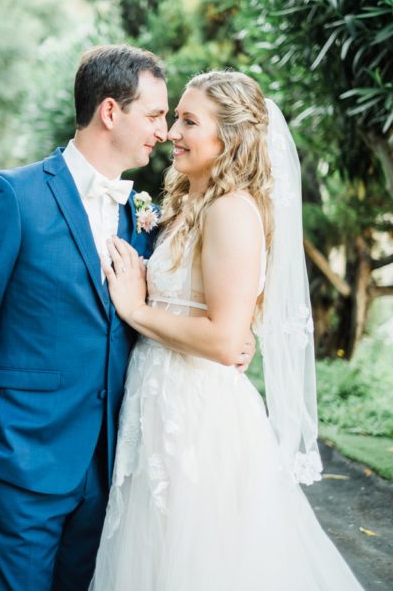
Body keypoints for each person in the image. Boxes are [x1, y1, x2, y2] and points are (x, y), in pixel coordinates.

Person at [0, 45, 255, 591]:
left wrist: (234, 333)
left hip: (114, 469)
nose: (165, 131)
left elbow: (199, 292)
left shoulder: (144, 215)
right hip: (20, 465)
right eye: (156, 115)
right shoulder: (12, 196)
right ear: (111, 112)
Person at [92, 71, 363, 590]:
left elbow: (221, 339)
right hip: (159, 404)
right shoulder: (190, 205)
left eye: (189, 121)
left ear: (230, 138)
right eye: (175, 117)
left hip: (198, 421)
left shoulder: (231, 211)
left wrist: (136, 309)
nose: (172, 131)